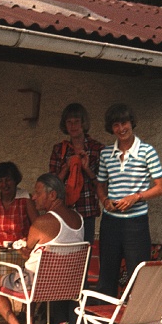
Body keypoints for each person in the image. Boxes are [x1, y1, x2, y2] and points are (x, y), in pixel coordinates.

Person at [95, 103, 162, 324]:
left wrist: (137, 196)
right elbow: (100, 185)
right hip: (111, 223)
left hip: (136, 224)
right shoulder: (106, 154)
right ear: (111, 128)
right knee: (107, 281)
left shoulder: (147, 151)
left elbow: (161, 187)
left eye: (124, 123)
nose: (121, 128)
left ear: (131, 123)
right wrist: (105, 201)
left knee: (140, 281)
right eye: (116, 125)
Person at [0, 173, 84, 324]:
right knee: (27, 275)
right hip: (68, 285)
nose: (33, 197)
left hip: (38, 284)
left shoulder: (42, 222)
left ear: (52, 195)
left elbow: (26, 252)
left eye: (38, 193)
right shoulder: (78, 219)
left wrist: (22, 248)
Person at [48, 103, 104, 243]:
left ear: (83, 123)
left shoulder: (97, 148)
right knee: (64, 253)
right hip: (64, 210)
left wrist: (86, 168)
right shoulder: (59, 149)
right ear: (65, 125)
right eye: (69, 122)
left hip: (87, 209)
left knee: (84, 253)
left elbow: (102, 184)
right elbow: (51, 186)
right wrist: (66, 167)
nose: (73, 126)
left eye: (77, 122)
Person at [0, 161, 39, 246]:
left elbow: (38, 227)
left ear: (15, 180)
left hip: (23, 248)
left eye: (8, 180)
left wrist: (28, 242)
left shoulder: (25, 198)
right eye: (0, 181)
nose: (4, 184)